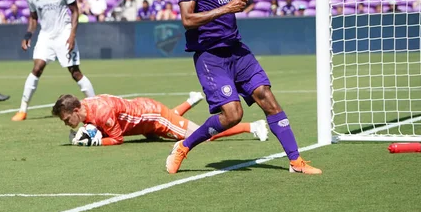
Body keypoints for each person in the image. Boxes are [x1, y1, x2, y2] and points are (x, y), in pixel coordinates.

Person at [167, 0, 321, 175]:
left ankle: (296, 161)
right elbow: (187, 19)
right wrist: (226, 9)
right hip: (211, 55)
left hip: (237, 50)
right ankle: (184, 147)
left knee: (267, 96)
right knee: (232, 115)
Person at [11, 0, 95, 121]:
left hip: (64, 34)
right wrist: (28, 34)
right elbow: (34, 18)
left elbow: (75, 11)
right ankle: (22, 110)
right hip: (46, 36)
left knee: (75, 73)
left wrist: (72, 35)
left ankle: (95, 105)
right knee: (37, 68)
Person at [52, 93, 268, 146]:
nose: (66, 123)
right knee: (171, 124)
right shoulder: (88, 107)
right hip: (145, 119)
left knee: (201, 136)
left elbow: (117, 139)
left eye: (66, 119)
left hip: (153, 116)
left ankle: (252, 126)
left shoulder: (101, 112)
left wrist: (97, 141)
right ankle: (191, 100)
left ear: (77, 110)